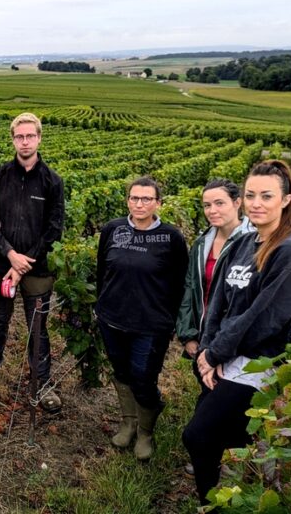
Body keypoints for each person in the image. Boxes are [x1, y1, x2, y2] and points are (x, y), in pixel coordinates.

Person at [183, 161, 291, 504]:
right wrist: (206, 352)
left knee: (199, 436)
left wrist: (216, 354)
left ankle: (213, 504)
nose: (256, 203)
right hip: (223, 356)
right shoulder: (243, 243)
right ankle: (225, 496)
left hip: (258, 363)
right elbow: (218, 305)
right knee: (218, 439)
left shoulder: (290, 252)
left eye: (266, 196)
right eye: (251, 194)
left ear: (285, 200)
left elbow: (265, 317)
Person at [96, 177, 188, 461]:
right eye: (134, 198)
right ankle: (128, 422)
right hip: (112, 320)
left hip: (150, 325)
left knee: (144, 378)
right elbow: (102, 272)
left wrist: (169, 321)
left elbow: (179, 284)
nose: (139, 203)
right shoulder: (113, 230)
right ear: (127, 201)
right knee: (122, 373)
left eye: (146, 199)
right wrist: (103, 306)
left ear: (158, 203)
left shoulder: (171, 238)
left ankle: (146, 432)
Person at [0, 113, 65, 412]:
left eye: (30, 136)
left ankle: (42, 384)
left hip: (36, 268)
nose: (25, 141)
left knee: (37, 328)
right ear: (13, 139)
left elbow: (54, 228)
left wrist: (23, 263)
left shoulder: (53, 181)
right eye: (20, 136)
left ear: (39, 138)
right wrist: (9, 254)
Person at [177, 179, 254, 379]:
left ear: (237, 203)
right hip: (204, 336)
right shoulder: (202, 244)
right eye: (207, 205)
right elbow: (190, 288)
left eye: (219, 203)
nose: (212, 210)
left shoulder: (254, 243)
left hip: (236, 340)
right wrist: (188, 334)